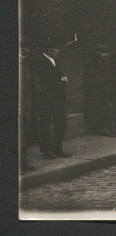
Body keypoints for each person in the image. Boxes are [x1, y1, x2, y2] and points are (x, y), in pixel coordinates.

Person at [32, 39, 71, 159]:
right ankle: (46, 151)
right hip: (46, 98)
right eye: (56, 49)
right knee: (45, 123)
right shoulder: (39, 61)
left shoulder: (55, 60)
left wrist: (63, 77)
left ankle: (57, 148)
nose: (58, 51)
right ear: (49, 49)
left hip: (58, 97)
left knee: (61, 122)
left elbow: (58, 73)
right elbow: (39, 79)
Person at [83, 44, 116, 137]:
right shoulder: (92, 64)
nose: (105, 55)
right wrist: (97, 88)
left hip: (106, 92)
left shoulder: (106, 64)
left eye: (106, 53)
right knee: (100, 110)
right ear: (98, 53)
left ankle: (111, 128)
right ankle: (103, 128)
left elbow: (110, 77)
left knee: (108, 109)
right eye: (103, 53)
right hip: (97, 93)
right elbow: (88, 79)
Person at [19, 40, 37, 172]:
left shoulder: (27, 62)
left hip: (27, 104)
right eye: (21, 47)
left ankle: (23, 164)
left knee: (24, 135)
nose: (24, 50)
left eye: (26, 47)